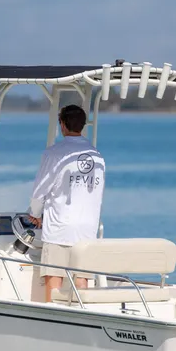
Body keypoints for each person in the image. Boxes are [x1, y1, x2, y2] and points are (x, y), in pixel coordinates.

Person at [28, 104, 106, 302]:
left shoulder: (54, 153)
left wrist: (35, 214)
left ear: (62, 125)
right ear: (83, 125)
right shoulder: (97, 156)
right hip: (87, 230)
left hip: (59, 229)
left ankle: (52, 320)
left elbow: (39, 192)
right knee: (81, 281)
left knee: (54, 281)